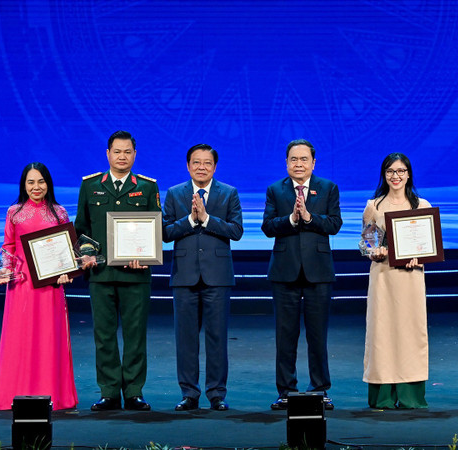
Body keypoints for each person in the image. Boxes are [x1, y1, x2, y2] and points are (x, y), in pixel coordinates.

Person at [75, 130, 160, 411]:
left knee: (136, 335)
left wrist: (144, 256)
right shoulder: (90, 186)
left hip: (136, 274)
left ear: (135, 155)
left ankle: (134, 391)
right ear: (108, 154)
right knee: (104, 335)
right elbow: (81, 229)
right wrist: (86, 255)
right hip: (100, 275)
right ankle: (109, 392)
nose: (122, 157)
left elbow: (155, 230)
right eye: (117, 152)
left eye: (127, 152)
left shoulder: (148, 187)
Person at [0, 162, 78, 411]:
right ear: (23, 185)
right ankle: (14, 393)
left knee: (49, 336)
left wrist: (66, 272)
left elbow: (66, 250)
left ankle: (54, 394)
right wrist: (5, 268)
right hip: (22, 284)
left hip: (51, 286)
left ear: (48, 183)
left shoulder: (59, 212)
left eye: (41, 181)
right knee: (21, 337)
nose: (36, 187)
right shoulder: (14, 212)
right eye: (31, 182)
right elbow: (8, 247)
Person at [262, 139, 342, 411]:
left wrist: (308, 217)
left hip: (318, 272)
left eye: (304, 159)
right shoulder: (276, 190)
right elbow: (268, 227)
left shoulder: (328, 188)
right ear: (286, 163)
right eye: (293, 159)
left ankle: (320, 388)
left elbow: (334, 224)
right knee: (285, 335)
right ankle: (286, 390)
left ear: (313, 163)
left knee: (317, 335)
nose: (298, 164)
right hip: (285, 272)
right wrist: (292, 220)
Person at [163, 144, 243, 411]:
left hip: (217, 277)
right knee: (185, 339)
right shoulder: (175, 194)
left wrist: (207, 219)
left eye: (207, 163)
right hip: (184, 277)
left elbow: (236, 231)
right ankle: (189, 393)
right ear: (188, 166)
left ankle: (217, 393)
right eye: (196, 162)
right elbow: (164, 232)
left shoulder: (228, 193)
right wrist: (190, 219)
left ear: (214, 167)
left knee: (217, 338)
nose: (201, 167)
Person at [361, 153, 430, 409]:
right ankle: (384, 395)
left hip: (411, 278)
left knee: (411, 332)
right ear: (384, 175)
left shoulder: (421, 206)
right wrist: (373, 251)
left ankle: (411, 394)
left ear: (409, 174)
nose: (396, 176)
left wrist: (418, 256)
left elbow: (429, 246)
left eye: (401, 171)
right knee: (383, 332)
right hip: (383, 278)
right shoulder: (374, 206)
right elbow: (368, 243)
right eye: (390, 171)